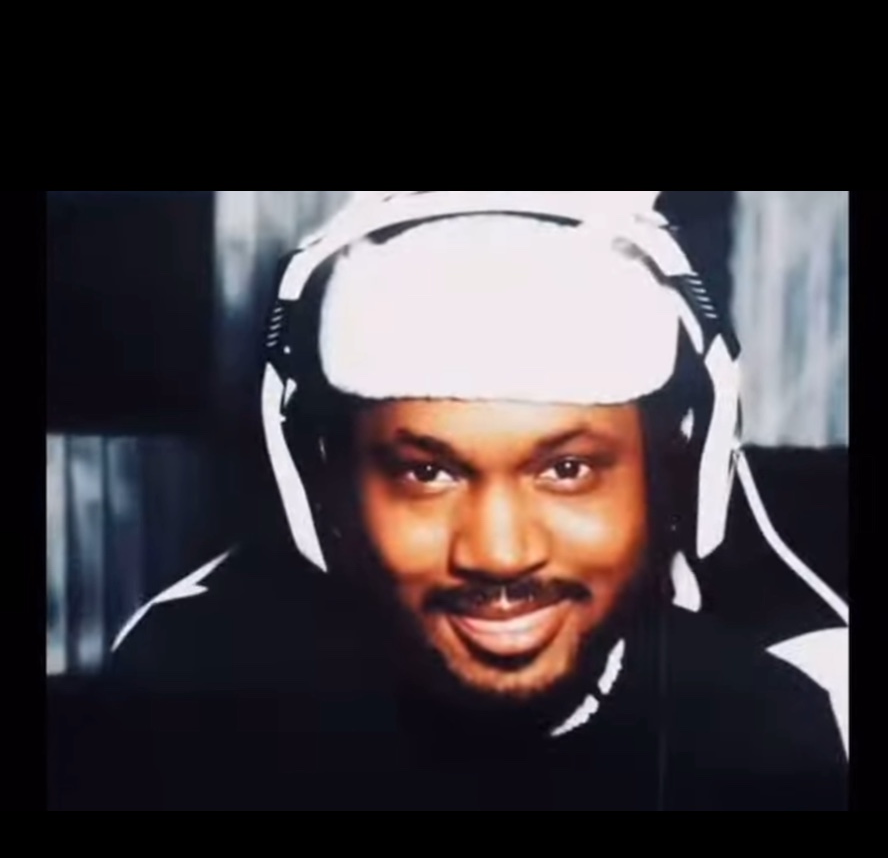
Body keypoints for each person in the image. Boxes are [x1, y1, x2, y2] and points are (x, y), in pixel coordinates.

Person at [106, 190, 848, 812]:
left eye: (567, 469)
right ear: (325, 485)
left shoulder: (773, 733)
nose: (498, 551)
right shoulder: (187, 705)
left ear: (672, 478)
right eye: (427, 474)